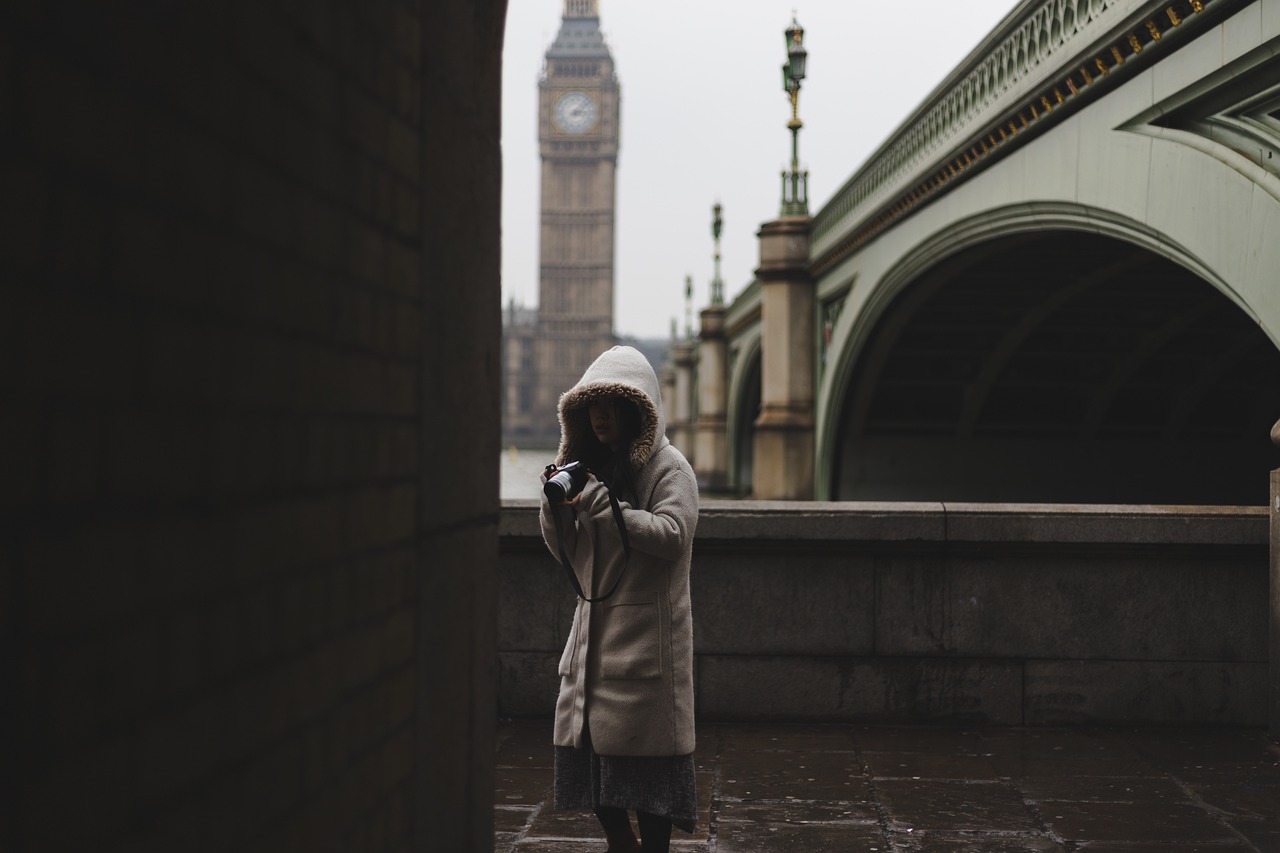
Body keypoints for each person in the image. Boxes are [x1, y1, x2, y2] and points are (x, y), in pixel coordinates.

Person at [539, 345, 699, 853]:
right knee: (592, 768)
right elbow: (565, 552)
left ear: (638, 410)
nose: (600, 415)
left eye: (611, 404)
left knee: (652, 783)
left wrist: (611, 511)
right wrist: (557, 511)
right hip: (592, 640)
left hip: (644, 644)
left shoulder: (670, 469)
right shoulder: (586, 466)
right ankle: (619, 845)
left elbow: (673, 534)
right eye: (592, 405)